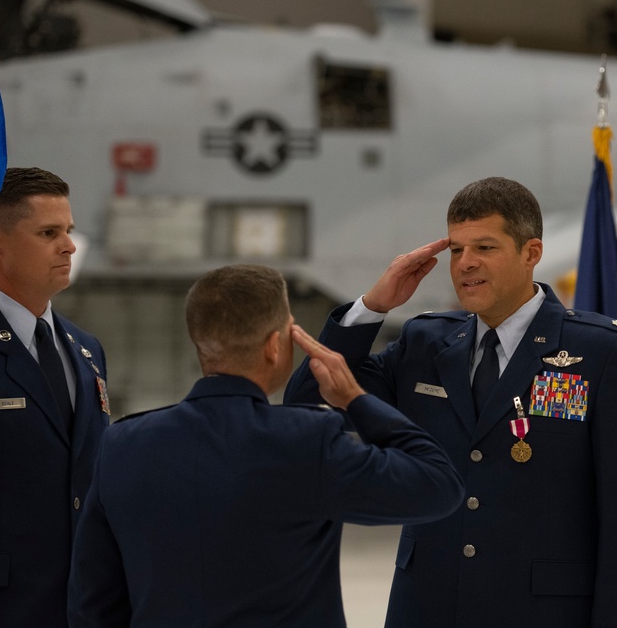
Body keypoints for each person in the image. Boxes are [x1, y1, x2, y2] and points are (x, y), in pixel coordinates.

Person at [286, 176, 617, 628]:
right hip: (426, 606)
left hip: (543, 612)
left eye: (484, 248)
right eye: (456, 250)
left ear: (531, 253)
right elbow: (311, 397)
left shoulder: (603, 351)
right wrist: (373, 306)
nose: (465, 263)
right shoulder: (426, 343)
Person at [67, 264, 464, 627]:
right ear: (275, 346)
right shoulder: (305, 440)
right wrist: (355, 399)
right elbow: (437, 485)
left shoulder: (121, 445)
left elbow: (93, 601)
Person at [0, 167, 110, 628]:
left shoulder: (87, 349)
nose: (69, 245)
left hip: (83, 606)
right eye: (49, 233)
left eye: (68, 230)